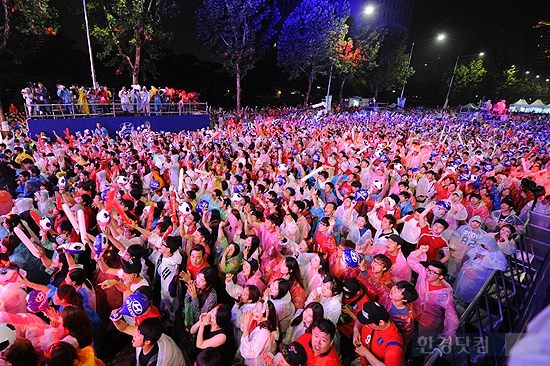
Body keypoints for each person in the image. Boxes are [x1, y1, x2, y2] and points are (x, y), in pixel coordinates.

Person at [407, 246, 459, 340]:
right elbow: (412, 260)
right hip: (413, 312)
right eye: (428, 269)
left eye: (433, 272)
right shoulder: (423, 273)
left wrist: (450, 331)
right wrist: (420, 251)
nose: (428, 273)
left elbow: (451, 316)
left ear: (441, 277)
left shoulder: (444, 295)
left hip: (427, 323)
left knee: (422, 339)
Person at [454, 235, 508, 303]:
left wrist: (485, 258)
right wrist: (476, 255)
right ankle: (457, 298)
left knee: (471, 289)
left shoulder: (497, 254)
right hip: (468, 271)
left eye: (487, 245)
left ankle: (466, 303)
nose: (485, 247)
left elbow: (503, 266)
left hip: (480, 276)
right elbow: (470, 252)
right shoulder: (480, 248)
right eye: (484, 245)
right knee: (462, 285)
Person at [112, 316, 187, 366]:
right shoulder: (149, 334)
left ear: (147, 342)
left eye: (138, 335)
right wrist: (116, 320)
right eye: (137, 331)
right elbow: (125, 327)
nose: (134, 335)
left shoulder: (155, 361)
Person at [353, 301, 404, 366]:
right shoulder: (373, 320)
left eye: (369, 323)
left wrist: (366, 353)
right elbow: (359, 320)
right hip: (361, 359)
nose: (367, 324)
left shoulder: (394, 345)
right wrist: (356, 330)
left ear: (381, 322)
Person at [240, 300, 279, 366]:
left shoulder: (264, 333)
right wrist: (245, 320)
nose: (253, 311)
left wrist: (246, 327)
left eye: (257, 311)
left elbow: (247, 352)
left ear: (265, 318)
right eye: (255, 307)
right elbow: (244, 330)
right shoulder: (255, 319)